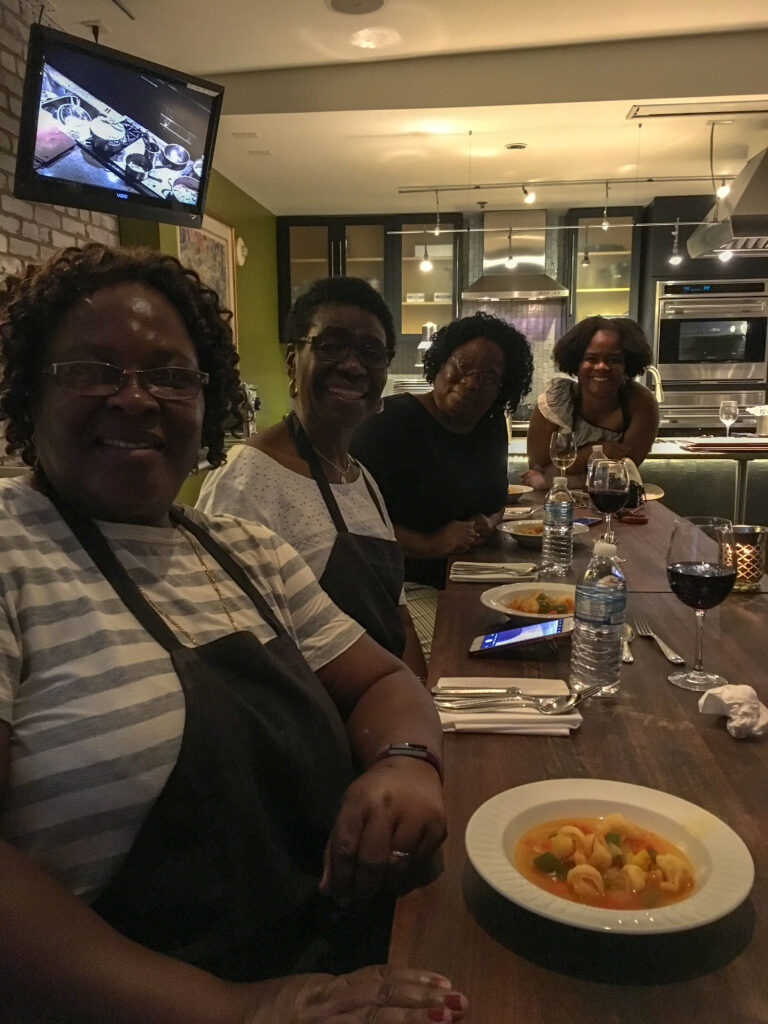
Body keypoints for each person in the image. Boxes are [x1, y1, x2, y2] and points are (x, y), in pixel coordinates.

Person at [0, 245, 467, 1024]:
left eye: (171, 376)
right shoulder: (12, 548)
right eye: (93, 369)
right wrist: (243, 1010)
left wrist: (408, 763)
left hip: (329, 963)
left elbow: (385, 682)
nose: (136, 398)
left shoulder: (242, 549)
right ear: (26, 391)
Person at [196, 276, 425, 677]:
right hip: (311, 718)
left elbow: (398, 618)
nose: (353, 366)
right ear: (292, 361)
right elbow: (235, 651)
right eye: (331, 346)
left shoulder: (362, 480)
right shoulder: (246, 478)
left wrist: (419, 699)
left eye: (371, 352)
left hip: (389, 708)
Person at [351, 312, 533, 592]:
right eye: (464, 366)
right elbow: (351, 523)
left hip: (470, 573)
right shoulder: (386, 424)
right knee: (466, 634)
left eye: (489, 377)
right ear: (440, 363)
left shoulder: (491, 424)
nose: (471, 383)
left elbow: (496, 499)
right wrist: (430, 544)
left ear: (502, 389)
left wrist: (488, 520)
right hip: (399, 586)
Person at [524, 315, 660, 490]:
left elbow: (621, 478)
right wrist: (599, 450)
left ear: (627, 365)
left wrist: (557, 478)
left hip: (615, 508)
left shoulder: (640, 404)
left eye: (613, 360)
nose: (602, 367)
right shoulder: (555, 402)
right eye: (591, 359)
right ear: (577, 363)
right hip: (555, 506)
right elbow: (535, 474)